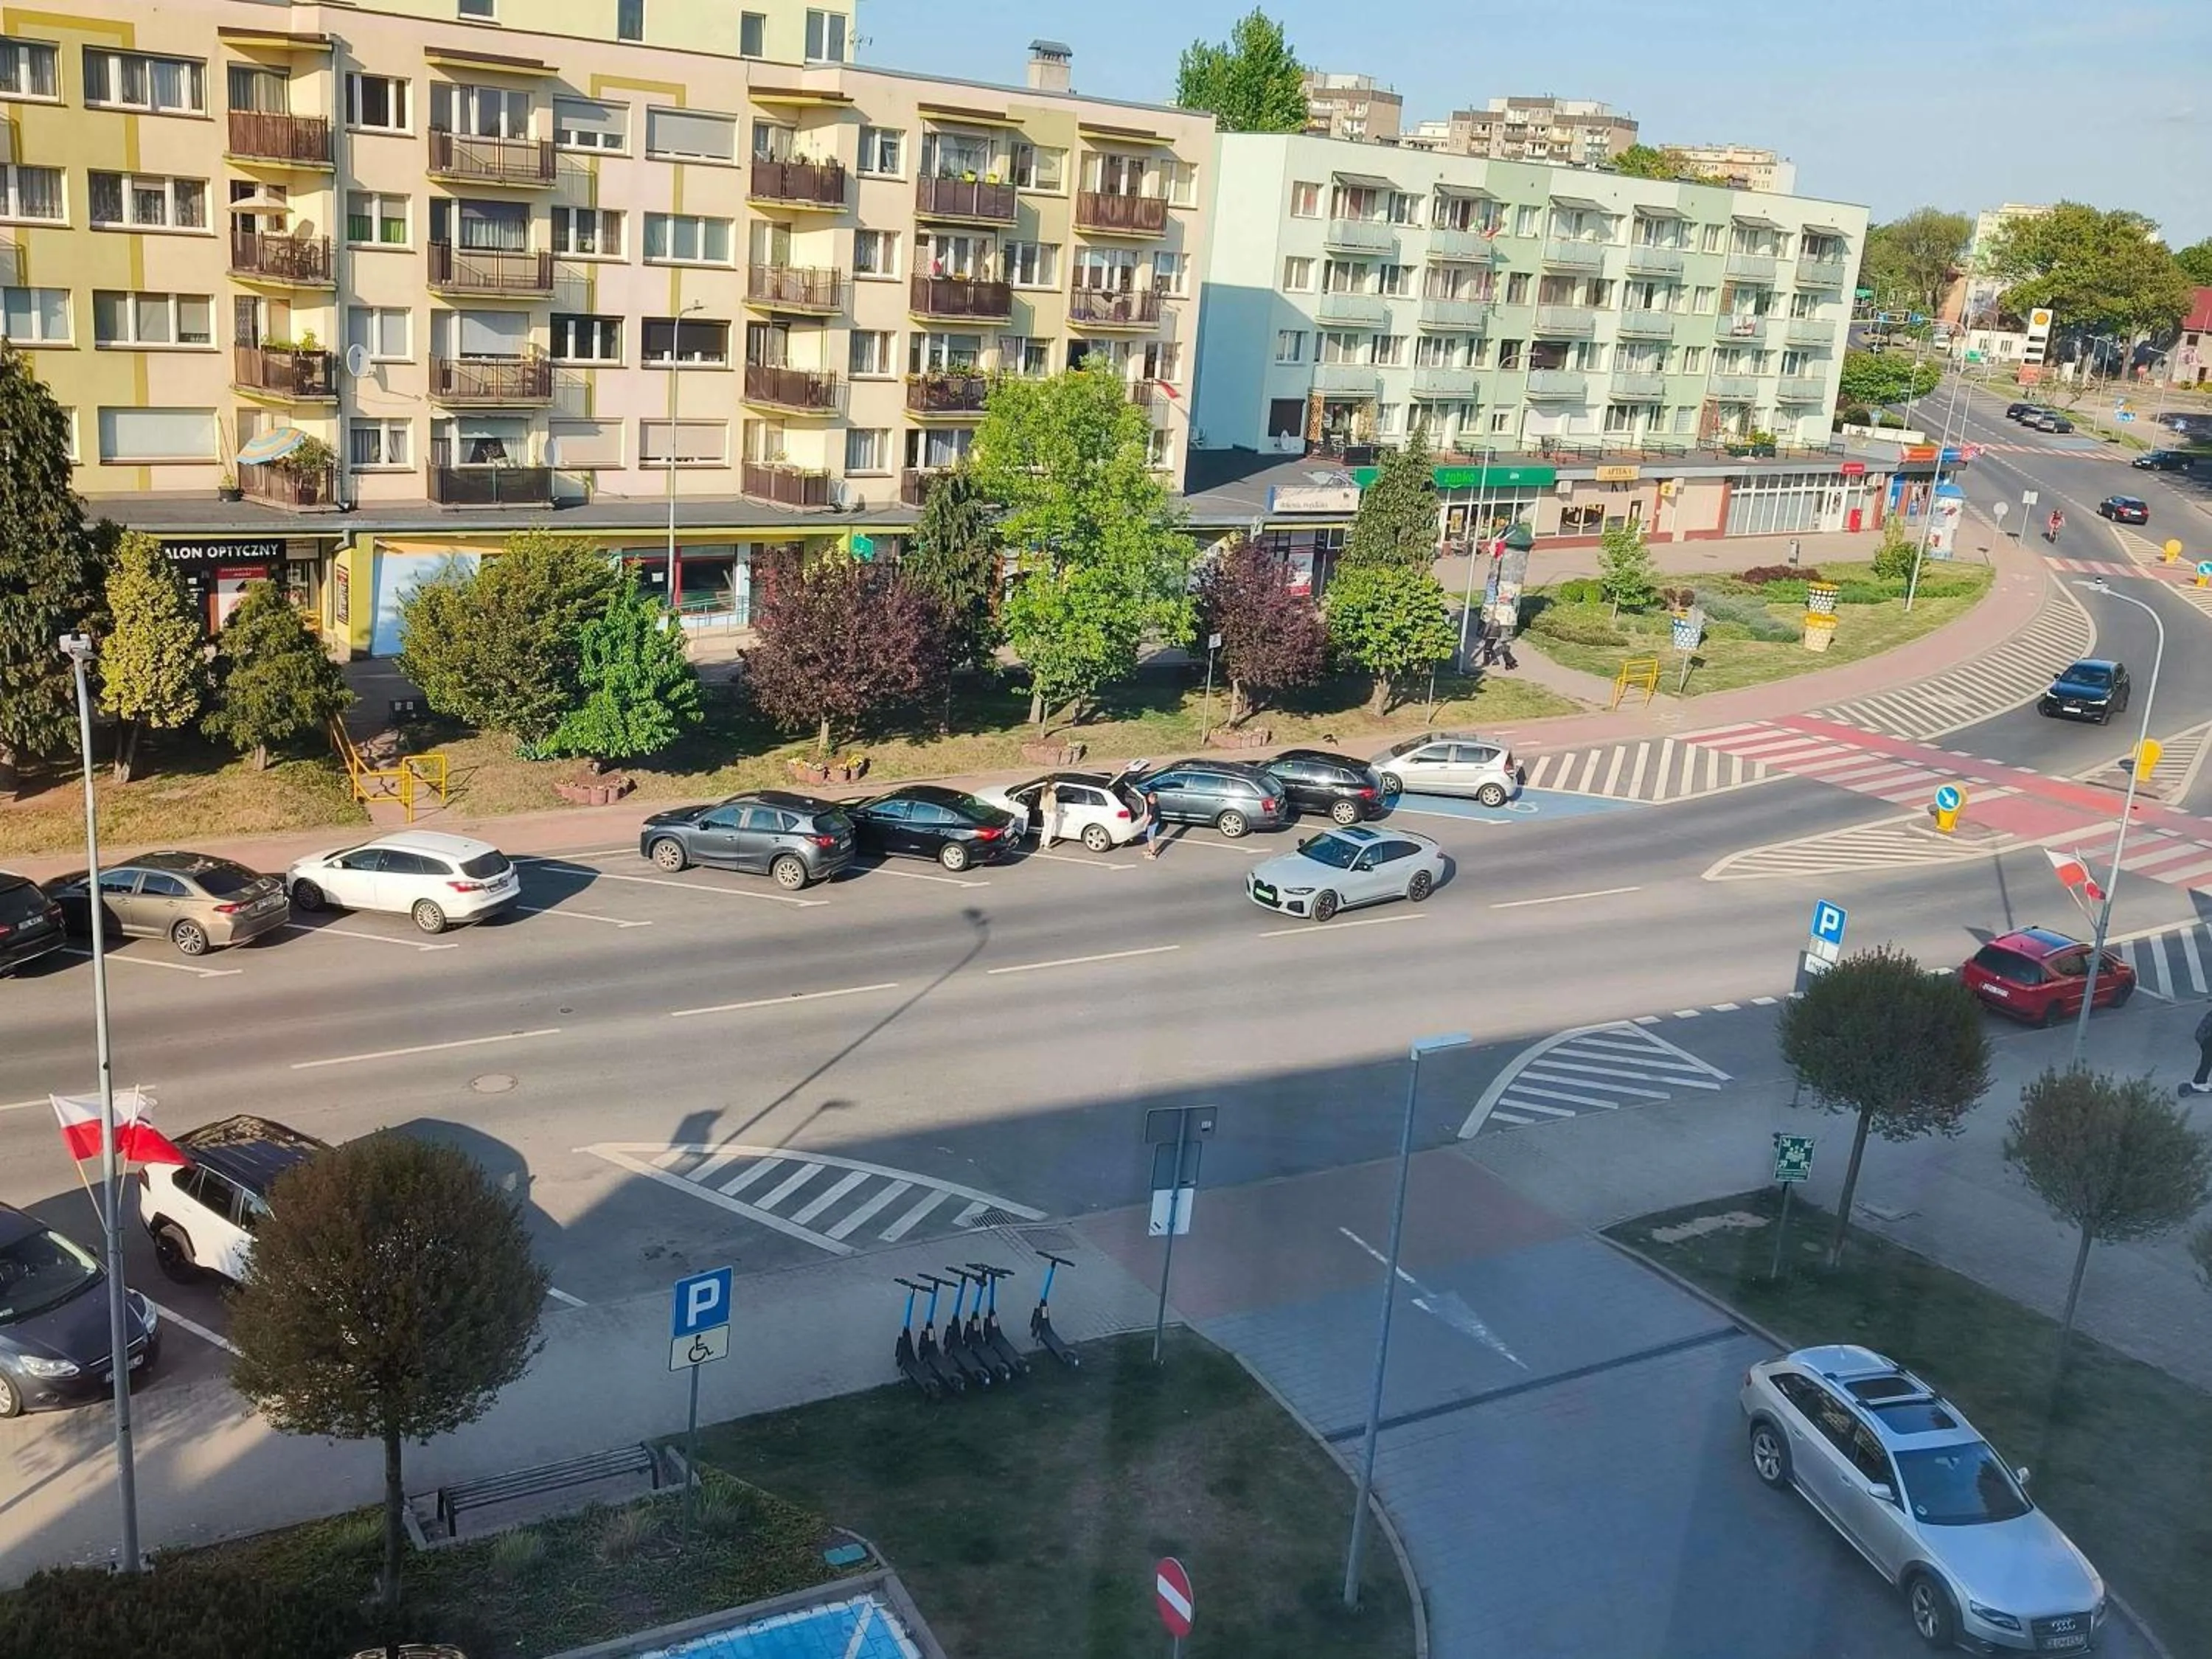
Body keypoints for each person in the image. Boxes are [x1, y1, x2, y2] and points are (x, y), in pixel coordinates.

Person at [2185, 1004, 2212, 1095]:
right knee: (2207, 1061)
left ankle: (2200, 1081)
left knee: (2207, 1061)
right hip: (2207, 1039)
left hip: (2204, 1037)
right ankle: (2198, 1082)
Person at [1037, 779, 1060, 852]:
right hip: (1051, 813)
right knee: (1050, 829)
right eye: (1055, 785)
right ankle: (1046, 845)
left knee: (1045, 827)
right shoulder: (1053, 794)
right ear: (1051, 785)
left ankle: (1041, 842)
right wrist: (1059, 812)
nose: (1056, 786)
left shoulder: (1044, 791)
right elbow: (1053, 806)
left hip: (1045, 812)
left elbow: (1042, 802)